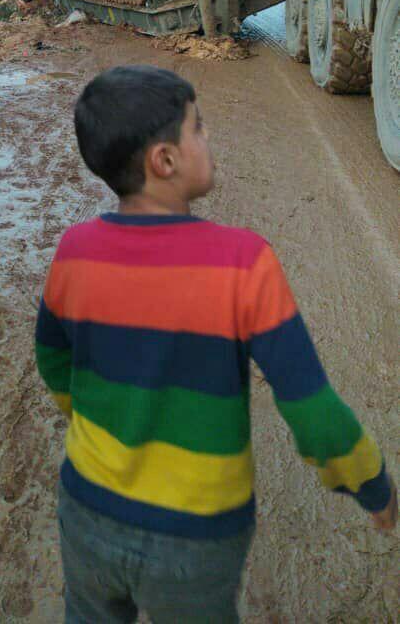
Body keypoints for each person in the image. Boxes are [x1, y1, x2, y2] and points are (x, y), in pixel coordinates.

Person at [35, 65, 397, 624]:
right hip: (197, 537)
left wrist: (90, 417)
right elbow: (312, 409)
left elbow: (53, 361)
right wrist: (371, 485)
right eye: (198, 128)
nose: (208, 138)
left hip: (86, 510)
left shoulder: (74, 251)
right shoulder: (242, 261)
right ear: (166, 161)